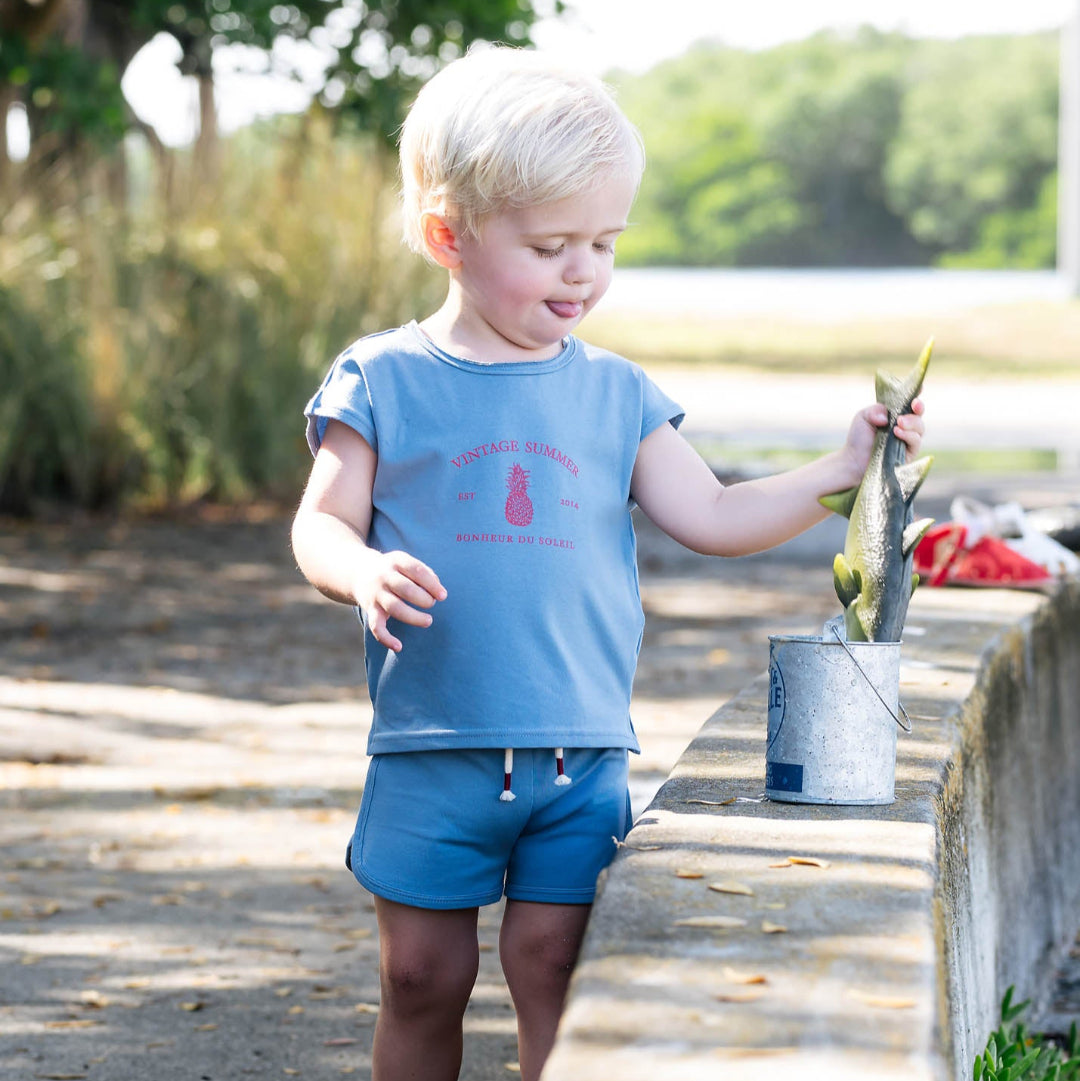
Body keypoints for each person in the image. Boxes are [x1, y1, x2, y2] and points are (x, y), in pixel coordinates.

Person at [290, 44, 925, 1081]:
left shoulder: (618, 392)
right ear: (448, 234)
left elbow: (714, 512)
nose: (583, 270)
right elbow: (319, 525)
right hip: (429, 747)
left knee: (554, 965)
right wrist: (357, 569)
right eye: (550, 246)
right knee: (419, 974)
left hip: (579, 756)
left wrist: (847, 466)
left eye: (603, 241)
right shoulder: (383, 376)